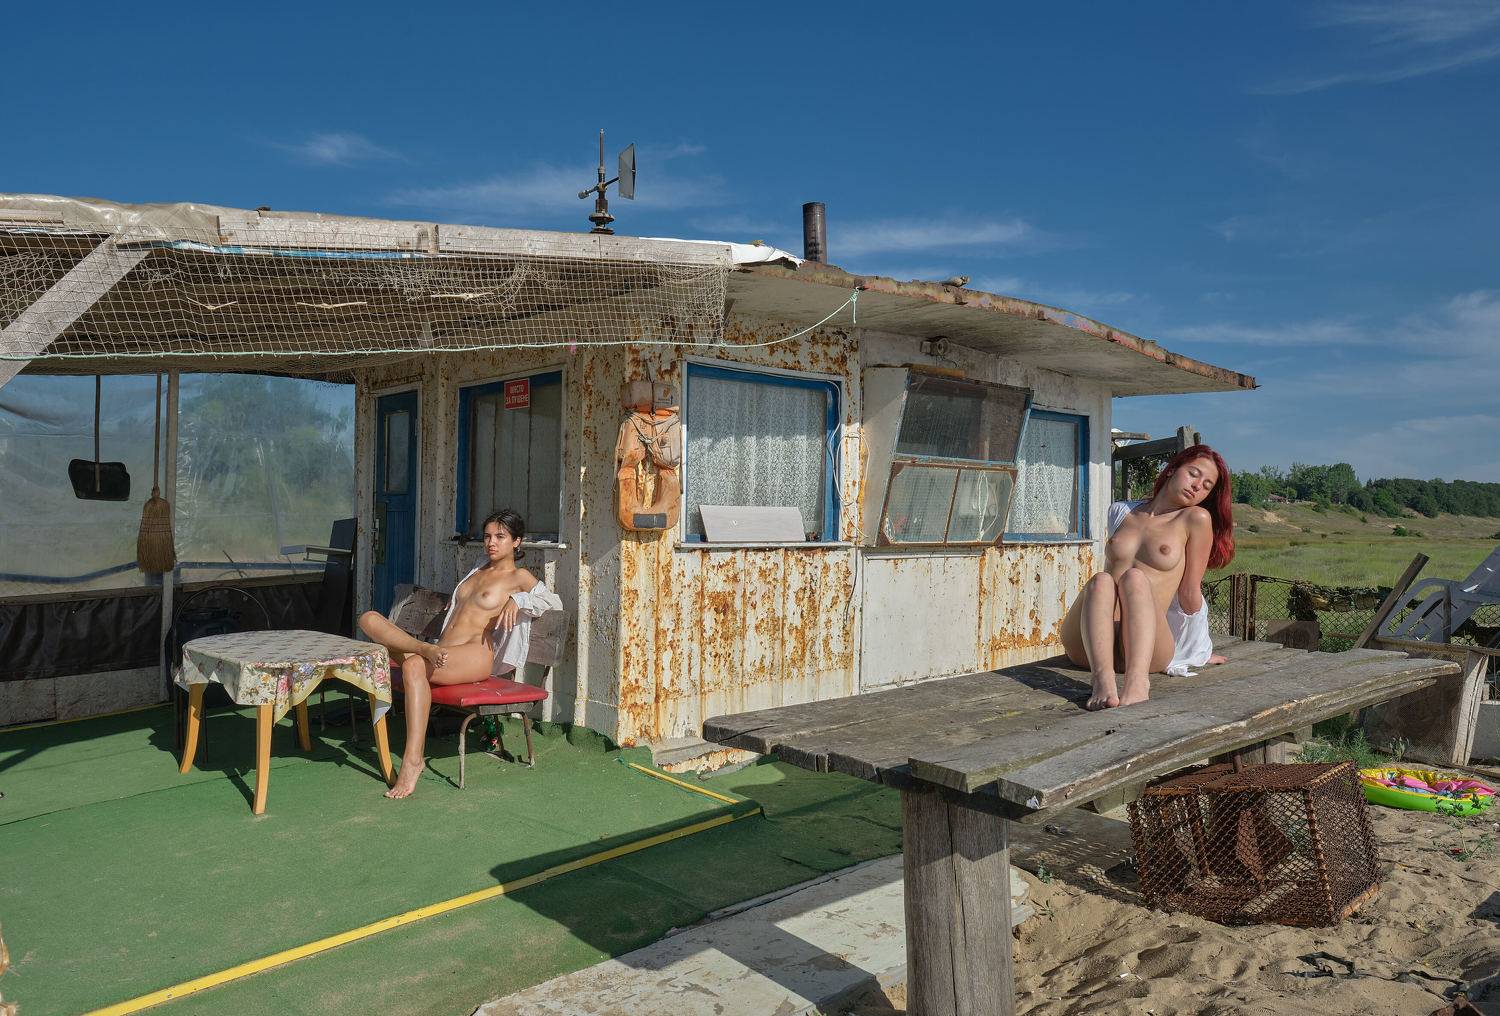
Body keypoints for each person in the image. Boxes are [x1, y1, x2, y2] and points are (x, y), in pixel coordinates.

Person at [357, 509, 563, 798]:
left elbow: (554, 603)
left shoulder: (519, 577)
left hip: (474, 654)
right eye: (487, 536)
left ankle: (413, 761)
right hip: (441, 650)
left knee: (413, 666)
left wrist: (519, 600)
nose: (491, 543)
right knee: (368, 618)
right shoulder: (477, 569)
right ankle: (422, 648)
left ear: (517, 542)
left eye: (500, 537)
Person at [1060, 445, 1235, 710]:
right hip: (1090, 646)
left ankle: (1138, 681)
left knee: (1135, 578)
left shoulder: (1195, 519)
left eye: (1207, 485)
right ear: (1173, 469)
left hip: (1146, 649)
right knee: (1101, 580)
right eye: (1193, 474)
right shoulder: (1120, 512)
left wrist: (1198, 650)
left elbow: (1189, 594)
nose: (1197, 486)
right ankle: (1102, 680)